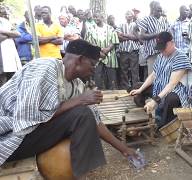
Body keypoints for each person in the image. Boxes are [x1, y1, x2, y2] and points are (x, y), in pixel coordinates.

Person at [0, 39, 137, 178]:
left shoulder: (76, 85)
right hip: (9, 138)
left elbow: (95, 121)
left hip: (28, 137)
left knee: (85, 114)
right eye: (92, 64)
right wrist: (80, 100)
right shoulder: (45, 67)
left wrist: (124, 149)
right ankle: (77, 173)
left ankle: (77, 172)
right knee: (81, 113)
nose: (94, 69)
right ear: (80, 60)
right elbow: (26, 120)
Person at [130, 32, 192, 129]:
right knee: (137, 86)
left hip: (179, 91)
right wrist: (140, 89)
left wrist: (155, 100)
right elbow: (153, 75)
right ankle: (145, 116)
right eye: (160, 48)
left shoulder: (181, 57)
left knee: (171, 98)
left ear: (171, 43)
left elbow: (172, 84)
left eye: (163, 47)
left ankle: (163, 124)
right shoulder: (161, 56)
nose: (162, 51)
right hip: (162, 86)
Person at [85, 12, 119, 90]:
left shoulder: (110, 28)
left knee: (111, 76)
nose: (95, 18)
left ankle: (112, 95)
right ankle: (98, 95)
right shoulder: (90, 29)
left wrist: (107, 49)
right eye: (94, 17)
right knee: (97, 76)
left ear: (103, 17)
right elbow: (88, 42)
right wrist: (99, 51)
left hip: (110, 55)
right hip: (97, 56)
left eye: (97, 17)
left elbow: (114, 41)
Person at [136, 1, 170, 75]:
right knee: (153, 78)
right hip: (152, 54)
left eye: (161, 10)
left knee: (164, 77)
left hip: (164, 53)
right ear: (152, 9)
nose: (160, 13)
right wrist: (157, 34)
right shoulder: (146, 20)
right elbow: (142, 35)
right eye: (158, 10)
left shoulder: (164, 21)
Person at [116, 10, 140, 90]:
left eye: (130, 14)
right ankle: (125, 88)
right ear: (125, 16)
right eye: (127, 14)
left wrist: (124, 35)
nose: (128, 16)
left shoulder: (136, 25)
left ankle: (135, 88)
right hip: (124, 51)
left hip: (134, 51)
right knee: (124, 70)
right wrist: (131, 36)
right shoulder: (121, 24)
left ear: (132, 16)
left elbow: (137, 37)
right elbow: (118, 36)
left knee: (134, 70)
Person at [0, 5, 21, 86]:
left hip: (10, 60)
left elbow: (18, 34)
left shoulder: (6, 22)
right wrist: (10, 34)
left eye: (7, 13)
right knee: (2, 84)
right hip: (2, 61)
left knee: (11, 84)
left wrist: (2, 31)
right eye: (3, 13)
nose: (6, 15)